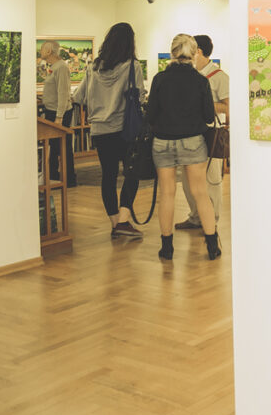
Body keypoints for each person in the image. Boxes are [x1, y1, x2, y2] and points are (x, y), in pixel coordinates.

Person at [148, 34, 220, 260]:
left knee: (167, 193)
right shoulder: (200, 81)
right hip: (192, 141)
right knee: (200, 193)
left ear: (173, 52)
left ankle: (167, 248)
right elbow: (208, 116)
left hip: (162, 141)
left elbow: (150, 115)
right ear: (194, 53)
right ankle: (212, 246)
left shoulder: (160, 79)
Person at [72, 22, 143, 239]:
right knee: (132, 173)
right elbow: (139, 97)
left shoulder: (93, 68)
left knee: (108, 176)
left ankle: (115, 223)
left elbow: (79, 97)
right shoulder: (133, 66)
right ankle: (123, 220)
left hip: (99, 131)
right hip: (124, 129)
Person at [174, 34, 229, 231]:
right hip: (189, 133)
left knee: (211, 180)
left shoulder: (219, 76)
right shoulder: (189, 76)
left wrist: (203, 103)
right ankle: (195, 217)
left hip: (210, 133)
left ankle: (210, 220)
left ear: (198, 52)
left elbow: (228, 107)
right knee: (187, 179)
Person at [40, 40, 77, 187]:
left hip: (59, 113)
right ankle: (55, 177)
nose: (41, 51)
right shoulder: (54, 67)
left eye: (42, 49)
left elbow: (63, 93)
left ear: (49, 51)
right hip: (52, 111)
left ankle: (69, 179)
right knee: (55, 147)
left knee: (63, 146)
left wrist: (59, 117)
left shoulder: (61, 67)